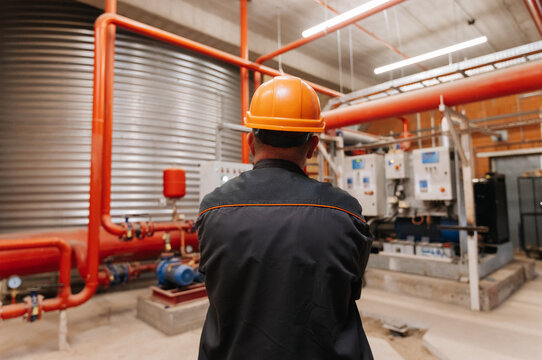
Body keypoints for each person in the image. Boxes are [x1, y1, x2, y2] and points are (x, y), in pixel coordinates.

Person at [197, 76, 373, 360]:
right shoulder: (346, 212)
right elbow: (351, 287)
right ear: (313, 145)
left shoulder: (212, 209)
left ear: (251, 143)